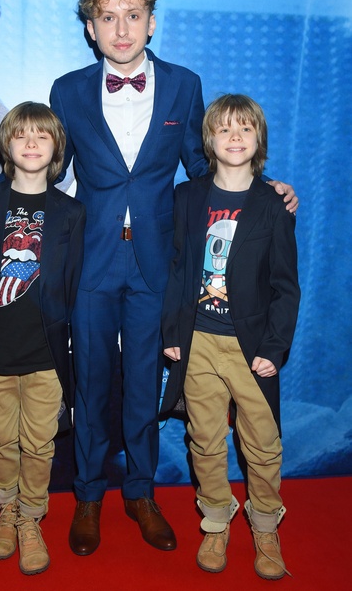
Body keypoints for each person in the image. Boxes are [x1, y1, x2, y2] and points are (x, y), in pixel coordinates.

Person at [0, 0, 298, 556]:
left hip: (157, 263)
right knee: (90, 385)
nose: (121, 29)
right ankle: (88, 496)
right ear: (91, 29)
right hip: (89, 261)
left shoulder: (184, 85)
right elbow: (48, 165)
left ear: (151, 23)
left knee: (145, 384)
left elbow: (204, 167)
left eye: (133, 15)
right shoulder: (68, 90)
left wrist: (265, 189)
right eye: (108, 17)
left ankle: (141, 494)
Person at [0, 102, 86, 575]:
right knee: (2, 441)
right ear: (6, 144)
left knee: (40, 445)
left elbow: (73, 282)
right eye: (21, 134)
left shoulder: (71, 212)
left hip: (45, 355)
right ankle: (7, 510)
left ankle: (31, 518)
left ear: (56, 148)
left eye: (41, 135)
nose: (31, 142)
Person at [161, 94, 300, 580]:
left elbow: (285, 286)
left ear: (259, 139)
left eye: (245, 128)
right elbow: (176, 269)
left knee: (262, 443)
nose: (235, 137)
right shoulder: (186, 197)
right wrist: (172, 331)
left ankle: (265, 525)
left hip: (252, 347)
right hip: (197, 342)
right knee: (203, 438)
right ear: (209, 140)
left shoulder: (274, 204)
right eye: (224, 129)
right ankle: (216, 520)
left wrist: (274, 347)